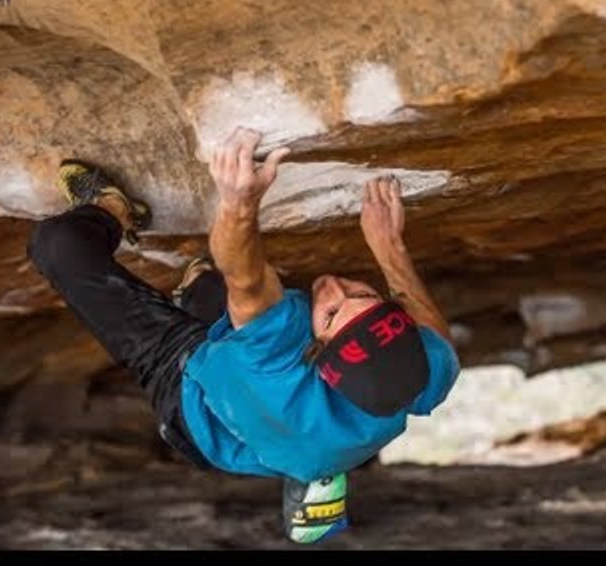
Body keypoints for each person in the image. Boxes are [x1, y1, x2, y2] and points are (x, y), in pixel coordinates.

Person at [28, 127, 460, 544]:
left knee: (58, 245)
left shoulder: (277, 360)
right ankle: (313, 462)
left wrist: (238, 204)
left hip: (193, 405)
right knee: (207, 285)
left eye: (329, 314)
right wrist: (390, 248)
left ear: (314, 353)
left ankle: (114, 207)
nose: (331, 284)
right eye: (363, 293)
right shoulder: (426, 369)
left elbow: (248, 279)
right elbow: (434, 332)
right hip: (289, 416)